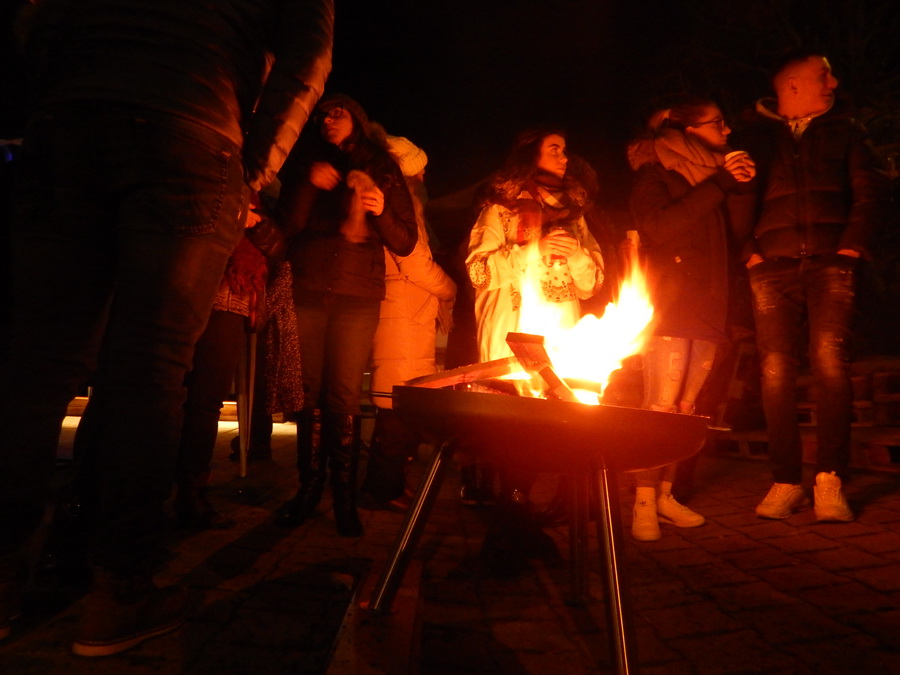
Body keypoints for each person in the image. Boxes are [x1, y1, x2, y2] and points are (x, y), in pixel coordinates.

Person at [0, 0, 333, 656]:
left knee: (36, 363)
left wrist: (70, 90)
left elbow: (35, 14)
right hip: (191, 126)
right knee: (149, 369)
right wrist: (254, 165)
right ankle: (119, 589)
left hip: (70, 123)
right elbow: (309, 54)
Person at [732, 50, 891, 523]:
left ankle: (829, 480)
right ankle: (785, 481)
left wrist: (851, 248)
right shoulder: (755, 139)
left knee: (830, 363)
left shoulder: (846, 132)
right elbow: (736, 198)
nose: (833, 83)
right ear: (793, 85)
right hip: (770, 268)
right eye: (824, 75)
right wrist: (750, 253)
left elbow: (870, 193)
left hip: (830, 264)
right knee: (775, 371)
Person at [273, 94, 418, 537]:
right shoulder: (308, 163)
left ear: (357, 118)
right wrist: (307, 182)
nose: (327, 119)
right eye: (321, 115)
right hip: (309, 289)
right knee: (310, 393)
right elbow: (288, 227)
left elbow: (405, 241)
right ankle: (309, 490)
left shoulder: (383, 167)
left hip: (357, 296)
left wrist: (380, 210)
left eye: (337, 112)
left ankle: (344, 500)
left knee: (342, 397)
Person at [466, 127, 604, 574]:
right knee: (512, 430)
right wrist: (531, 249)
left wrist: (577, 256)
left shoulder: (575, 216)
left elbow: (593, 283)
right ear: (531, 156)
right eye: (554, 149)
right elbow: (479, 272)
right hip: (511, 333)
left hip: (559, 338)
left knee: (547, 430)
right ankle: (513, 530)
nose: (565, 156)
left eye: (565, 149)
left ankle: (515, 529)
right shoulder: (499, 211)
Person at [626, 96, 757, 541]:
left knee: (687, 411)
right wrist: (719, 184)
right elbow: (658, 228)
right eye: (717, 123)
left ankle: (666, 495)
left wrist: (741, 187)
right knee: (660, 406)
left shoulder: (713, 177)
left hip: (709, 303)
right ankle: (643, 500)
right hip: (671, 304)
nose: (727, 130)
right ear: (688, 132)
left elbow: (733, 238)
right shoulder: (655, 174)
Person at [358, 135, 456, 512]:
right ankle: (382, 490)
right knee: (395, 406)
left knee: (397, 402)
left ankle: (388, 483)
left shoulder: (395, 201)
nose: (425, 176)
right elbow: (414, 262)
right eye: (420, 169)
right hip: (403, 310)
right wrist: (449, 288)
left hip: (404, 310)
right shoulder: (404, 203)